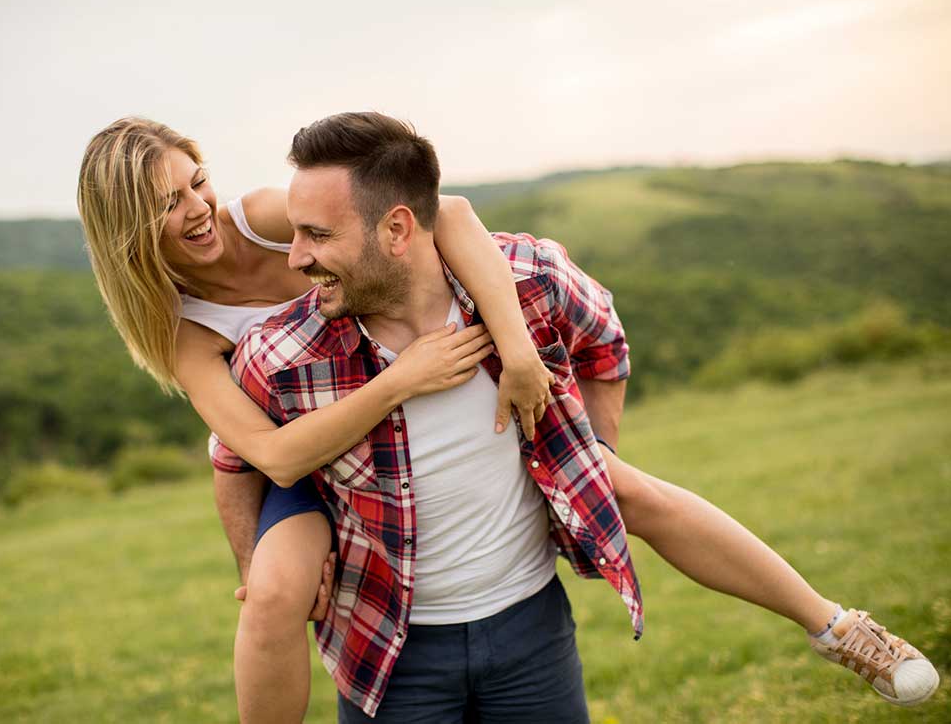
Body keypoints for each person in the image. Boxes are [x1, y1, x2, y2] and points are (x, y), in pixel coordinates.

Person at [211, 112, 940, 720]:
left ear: (398, 230)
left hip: (531, 631)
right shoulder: (283, 353)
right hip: (389, 651)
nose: (294, 258)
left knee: (644, 495)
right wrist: (258, 562)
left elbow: (605, 340)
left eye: (317, 235)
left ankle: (840, 628)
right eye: (295, 232)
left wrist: (596, 450)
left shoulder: (528, 280)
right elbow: (235, 461)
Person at [76, 117, 557, 724]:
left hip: (383, 416)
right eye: (170, 204)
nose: (199, 208)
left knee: (629, 492)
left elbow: (450, 213)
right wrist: (402, 378)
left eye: (198, 183)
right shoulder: (184, 330)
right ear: (130, 229)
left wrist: (518, 353)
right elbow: (270, 456)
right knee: (274, 596)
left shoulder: (257, 219)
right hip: (301, 458)